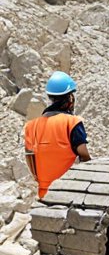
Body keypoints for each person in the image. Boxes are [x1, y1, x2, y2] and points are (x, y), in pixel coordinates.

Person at [23, 71, 91, 199]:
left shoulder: (31, 126)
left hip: (44, 192)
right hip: (69, 191)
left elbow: (29, 157)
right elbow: (84, 156)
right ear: (70, 98)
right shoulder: (73, 122)